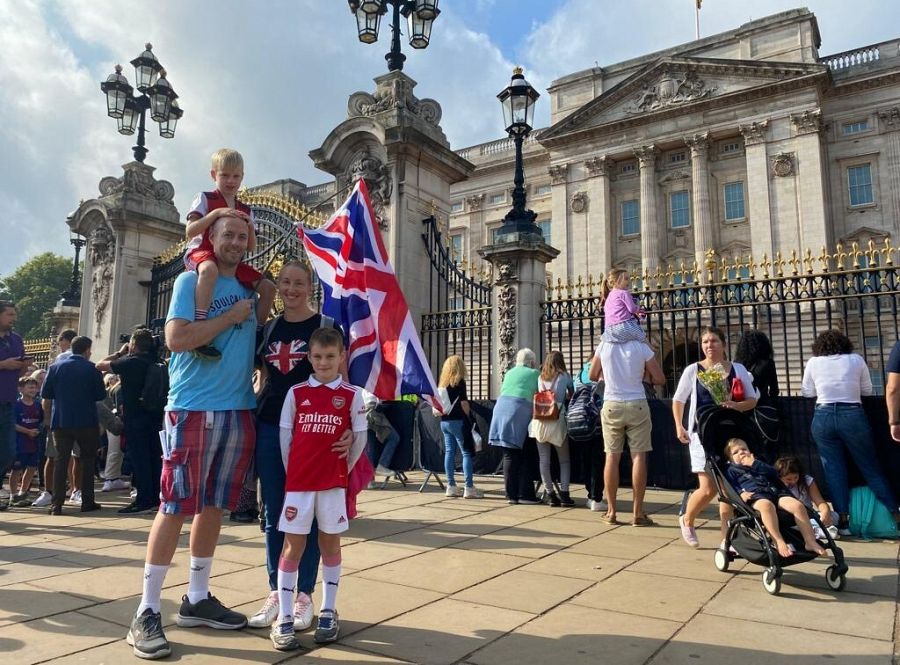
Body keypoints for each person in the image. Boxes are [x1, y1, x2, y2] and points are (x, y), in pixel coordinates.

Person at [126, 214, 258, 660]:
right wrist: (231, 318)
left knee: (215, 504)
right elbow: (178, 338)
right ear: (211, 238)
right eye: (228, 236)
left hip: (238, 408)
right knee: (174, 506)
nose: (235, 243)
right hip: (191, 408)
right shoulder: (189, 281)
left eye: (242, 237)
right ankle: (146, 610)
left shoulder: (250, 289)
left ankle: (196, 598)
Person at [248, 261, 352, 634]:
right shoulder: (269, 328)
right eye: (285, 283)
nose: (291, 289)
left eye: (299, 283)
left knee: (309, 516)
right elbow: (263, 375)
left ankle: (304, 593)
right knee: (276, 510)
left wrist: (352, 430)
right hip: (271, 425)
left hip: (316, 435)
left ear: (310, 286)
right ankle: (278, 590)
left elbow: (344, 379)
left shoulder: (326, 326)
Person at [270, 327, 368, 651]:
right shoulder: (296, 393)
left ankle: (327, 610)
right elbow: (286, 439)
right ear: (308, 358)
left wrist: (342, 471)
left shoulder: (353, 396)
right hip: (299, 485)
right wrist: (295, 472)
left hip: (332, 486)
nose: (324, 362)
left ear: (342, 357)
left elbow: (360, 437)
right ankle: (284, 617)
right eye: (317, 357)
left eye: (330, 356)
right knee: (292, 548)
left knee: (330, 545)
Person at [801, 329, 899, 532]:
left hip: (823, 414)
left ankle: (843, 520)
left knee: (834, 470)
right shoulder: (856, 360)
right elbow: (867, 390)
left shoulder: (813, 362)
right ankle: (895, 512)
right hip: (852, 412)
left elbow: (807, 391)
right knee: (870, 467)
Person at [184, 148, 275, 360]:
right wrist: (216, 214)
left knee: (269, 288)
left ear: (242, 177)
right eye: (224, 175)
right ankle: (201, 326)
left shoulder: (246, 208)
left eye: (236, 176)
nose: (230, 181)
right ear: (214, 175)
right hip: (201, 252)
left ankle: (257, 333)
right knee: (209, 269)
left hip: (231, 261)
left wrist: (250, 228)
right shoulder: (205, 198)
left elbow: (251, 247)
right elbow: (190, 231)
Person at [672, 326, 758, 547]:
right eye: (705, 342)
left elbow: (752, 400)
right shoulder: (693, 370)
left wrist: (735, 405)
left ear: (723, 344)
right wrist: (679, 426)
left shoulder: (737, 369)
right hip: (702, 434)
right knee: (709, 488)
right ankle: (688, 519)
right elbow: (679, 399)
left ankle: (725, 539)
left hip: (730, 435)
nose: (709, 345)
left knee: (728, 488)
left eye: (714, 341)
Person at [589, 339, 665, 525]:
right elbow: (660, 379)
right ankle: (637, 513)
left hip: (612, 403)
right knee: (638, 457)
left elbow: (592, 375)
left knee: (611, 457)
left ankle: (611, 512)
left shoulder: (605, 344)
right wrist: (642, 377)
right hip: (636, 402)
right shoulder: (641, 346)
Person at [97, 328, 165, 514]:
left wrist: (121, 352)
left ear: (134, 345)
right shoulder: (155, 361)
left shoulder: (131, 362)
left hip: (136, 417)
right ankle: (155, 497)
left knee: (139, 459)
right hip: (155, 416)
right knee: (153, 458)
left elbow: (100, 365)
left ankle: (144, 499)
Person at [725, 439, 826, 557]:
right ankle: (778, 540)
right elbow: (731, 485)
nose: (741, 453)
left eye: (744, 449)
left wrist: (754, 463)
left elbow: (773, 473)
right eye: (736, 452)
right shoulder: (731, 470)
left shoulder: (758, 463)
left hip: (775, 492)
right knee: (767, 506)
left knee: (797, 505)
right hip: (756, 496)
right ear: (730, 459)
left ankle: (810, 541)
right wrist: (740, 494)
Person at [40, 336, 106, 515]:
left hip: (61, 420)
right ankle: (87, 501)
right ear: (86, 350)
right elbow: (100, 395)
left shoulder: (54, 368)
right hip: (86, 420)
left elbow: (47, 394)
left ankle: (57, 503)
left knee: (61, 461)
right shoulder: (91, 368)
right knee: (87, 460)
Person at [488, 348, 541, 505]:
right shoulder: (534, 374)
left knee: (509, 454)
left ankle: (511, 494)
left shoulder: (510, 372)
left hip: (501, 408)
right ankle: (525, 494)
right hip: (518, 410)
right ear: (531, 362)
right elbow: (542, 393)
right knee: (524, 453)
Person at [529, 351, 574, 507]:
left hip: (540, 421)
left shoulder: (540, 378)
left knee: (544, 460)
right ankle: (565, 494)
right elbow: (572, 394)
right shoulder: (564, 377)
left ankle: (550, 494)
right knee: (564, 460)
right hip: (557, 421)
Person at [438, 355, 482, 499]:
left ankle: (450, 486)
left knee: (449, 452)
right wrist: (469, 416)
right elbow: (464, 404)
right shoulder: (459, 382)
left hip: (444, 421)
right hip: (458, 421)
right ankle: (469, 487)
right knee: (466, 453)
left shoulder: (442, 384)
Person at [0, 301, 29, 511]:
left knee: (9, 452)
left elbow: (18, 373)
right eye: (9, 314)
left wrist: (22, 367)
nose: (13, 318)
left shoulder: (16, 339)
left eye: (14, 314)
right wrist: (3, 365)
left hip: (8, 402)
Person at [774, 455, 840, 540]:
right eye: (788, 479)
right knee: (790, 525)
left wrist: (825, 511)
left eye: (795, 477)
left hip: (809, 515)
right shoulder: (776, 485)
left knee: (835, 516)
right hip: (792, 518)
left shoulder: (806, 481)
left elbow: (819, 501)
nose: (793, 481)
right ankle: (818, 532)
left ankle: (817, 529)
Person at [11, 377, 42, 506]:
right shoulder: (16, 405)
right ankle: (13, 494)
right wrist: (27, 431)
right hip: (20, 442)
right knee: (16, 469)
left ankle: (22, 493)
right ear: (20, 389)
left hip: (34, 443)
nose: (33, 390)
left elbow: (41, 421)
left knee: (31, 468)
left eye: (34, 387)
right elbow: (12, 424)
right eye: (30, 387)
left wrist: (38, 430)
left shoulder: (38, 405)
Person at [97, 373, 129, 492]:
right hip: (117, 421)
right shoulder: (119, 389)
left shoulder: (113, 388)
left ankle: (113, 477)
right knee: (115, 450)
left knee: (115, 450)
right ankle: (111, 478)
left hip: (112, 420)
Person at [600, 268, 646, 344]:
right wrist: (639, 309)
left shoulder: (609, 296)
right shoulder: (624, 293)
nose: (629, 281)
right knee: (644, 339)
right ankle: (652, 355)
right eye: (626, 279)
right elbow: (632, 309)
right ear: (618, 280)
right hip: (624, 326)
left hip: (609, 329)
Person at [734, 329, 779, 401]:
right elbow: (774, 390)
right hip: (763, 404)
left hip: (742, 405)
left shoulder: (737, 363)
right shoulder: (768, 363)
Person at [365, 392, 401, 478]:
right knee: (394, 438)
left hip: (365, 409)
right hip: (373, 410)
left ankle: (369, 480)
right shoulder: (377, 379)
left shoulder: (364, 381)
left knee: (371, 446)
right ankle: (382, 465)